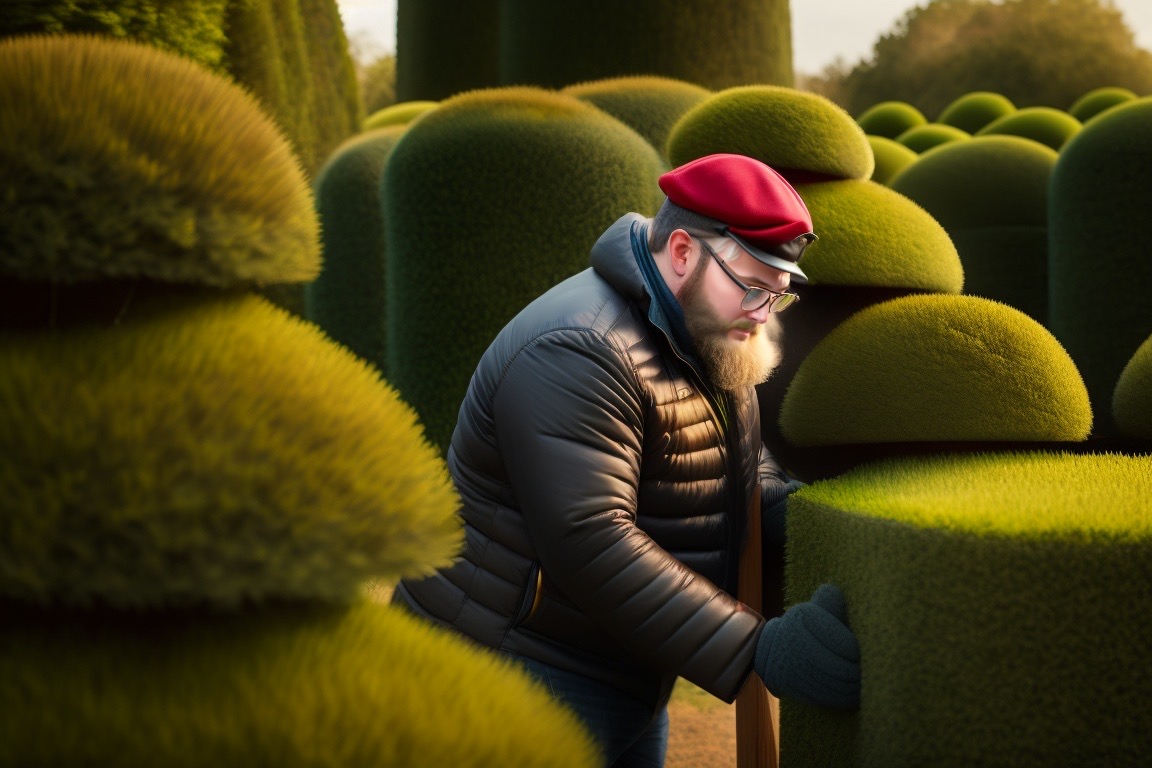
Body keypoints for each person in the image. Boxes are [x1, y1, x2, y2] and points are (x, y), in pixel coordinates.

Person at [393, 153, 861, 766]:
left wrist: (817, 516)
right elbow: (591, 537)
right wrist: (757, 648)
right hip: (510, 668)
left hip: (618, 665)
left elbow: (743, 470)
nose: (761, 310)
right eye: (750, 286)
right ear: (684, 251)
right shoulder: (578, 349)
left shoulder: (711, 327)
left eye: (777, 295)